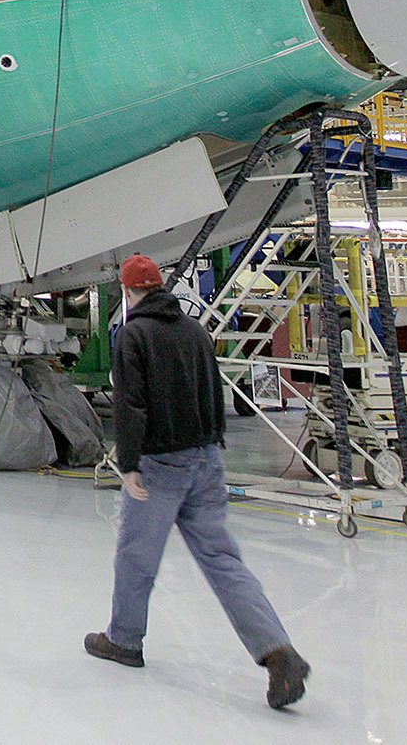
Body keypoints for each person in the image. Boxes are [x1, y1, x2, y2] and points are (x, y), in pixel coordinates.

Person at [86, 254, 310, 710]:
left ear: (128, 292)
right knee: (223, 560)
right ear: (162, 286)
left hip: (160, 466)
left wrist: (128, 465)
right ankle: (277, 652)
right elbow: (215, 392)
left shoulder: (133, 335)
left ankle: (124, 640)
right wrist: (211, 448)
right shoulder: (195, 332)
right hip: (207, 460)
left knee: (136, 558)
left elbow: (131, 406)